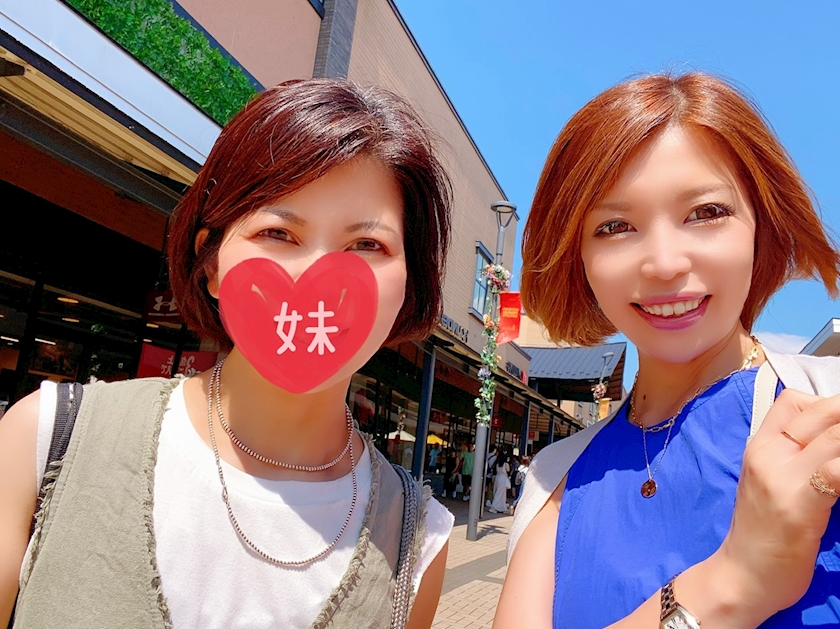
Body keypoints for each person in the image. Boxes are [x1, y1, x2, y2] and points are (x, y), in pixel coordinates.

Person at [0, 78, 455, 629]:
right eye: (278, 233)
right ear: (212, 261)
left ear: (408, 284)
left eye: (367, 245)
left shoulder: (415, 538)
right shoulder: (46, 438)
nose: (316, 275)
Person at [495, 72, 840, 629]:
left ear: (761, 225)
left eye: (706, 213)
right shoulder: (554, 477)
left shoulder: (826, 407)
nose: (663, 263)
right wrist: (726, 589)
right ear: (578, 258)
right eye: (614, 226)